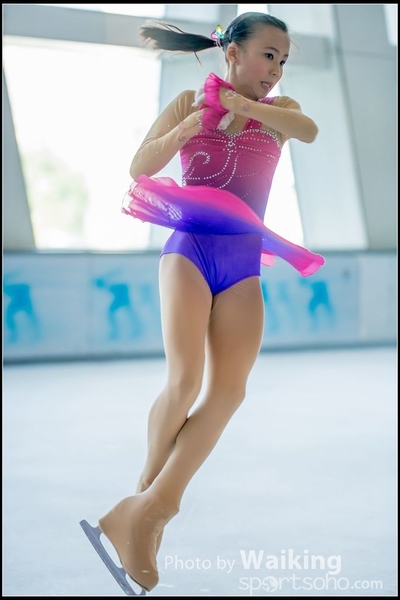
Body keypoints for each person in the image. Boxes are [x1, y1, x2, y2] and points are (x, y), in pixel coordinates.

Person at [80, 11, 325, 595]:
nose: (276, 69)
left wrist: (241, 106)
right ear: (233, 52)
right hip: (189, 251)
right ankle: (147, 503)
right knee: (185, 380)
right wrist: (190, 126)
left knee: (230, 390)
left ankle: (145, 511)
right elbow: (140, 166)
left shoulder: (281, 113)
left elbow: (309, 130)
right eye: (268, 55)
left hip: (242, 262)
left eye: (283, 60)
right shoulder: (188, 102)